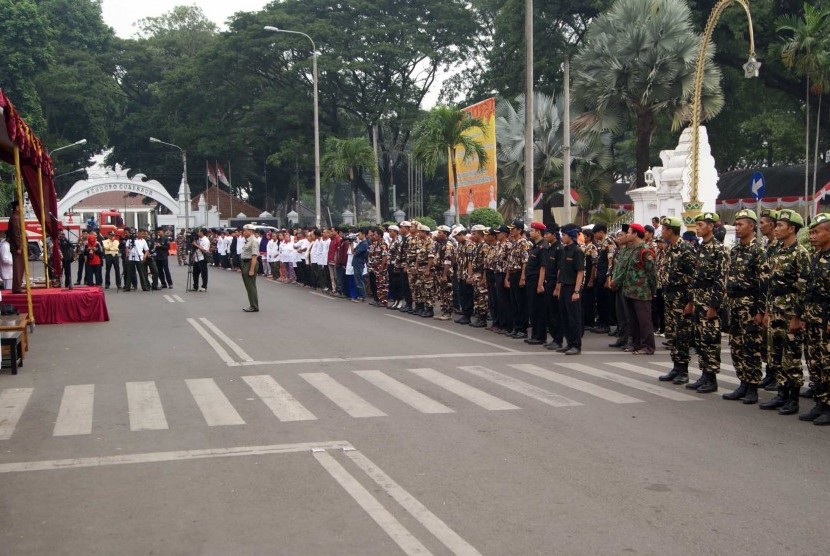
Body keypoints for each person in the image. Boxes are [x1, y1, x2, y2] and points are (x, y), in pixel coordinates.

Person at [760, 209, 810, 416]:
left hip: (791, 312)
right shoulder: (776, 251)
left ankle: (793, 398)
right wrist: (767, 311)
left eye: (781, 225)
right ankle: (781, 392)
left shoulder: (801, 254)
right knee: (776, 354)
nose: (777, 228)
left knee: (791, 356)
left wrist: (798, 317)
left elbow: (804, 288)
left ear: (792, 229)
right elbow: (771, 285)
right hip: (776, 310)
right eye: (777, 225)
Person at [722, 209, 767, 404]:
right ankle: (742, 382)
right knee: (737, 346)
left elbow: (764, 283)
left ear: (752, 226)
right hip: (735, 304)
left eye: (741, 224)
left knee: (751, 346)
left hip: (750, 305)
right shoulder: (736, 250)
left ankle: (753, 387)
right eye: (736, 224)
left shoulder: (759, 251)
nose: (737, 228)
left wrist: (760, 311)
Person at [657, 216, 696, 384]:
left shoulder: (686, 249)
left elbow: (693, 278)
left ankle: (684, 370)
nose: (662, 232)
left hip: (682, 298)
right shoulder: (670, 249)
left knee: (682, 334)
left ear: (671, 231)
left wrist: (691, 302)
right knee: (672, 334)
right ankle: (676, 367)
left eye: (664, 229)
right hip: (670, 296)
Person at [801, 213, 830, 425]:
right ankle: (820, 402)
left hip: (826, 318)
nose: (812, 236)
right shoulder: (815, 256)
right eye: (811, 232)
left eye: (816, 232)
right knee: (815, 362)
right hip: (812, 317)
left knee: (828, 363)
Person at [618, 223, 657, 355]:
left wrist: (652, 290)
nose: (627, 234)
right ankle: (636, 344)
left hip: (642, 292)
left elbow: (652, 274)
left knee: (644, 321)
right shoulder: (632, 250)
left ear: (635, 234)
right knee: (633, 320)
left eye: (629, 232)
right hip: (629, 290)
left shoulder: (645, 251)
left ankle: (648, 346)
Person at [554, 224, 585, 355]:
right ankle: (569, 343)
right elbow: (561, 271)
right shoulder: (564, 250)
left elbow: (580, 272)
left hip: (573, 287)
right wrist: (558, 287)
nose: (562, 237)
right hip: (564, 287)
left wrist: (576, 291)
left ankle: (576, 345)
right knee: (564, 317)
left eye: (564, 235)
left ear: (571, 236)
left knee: (573, 318)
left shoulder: (577, 251)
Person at [524, 222, 549, 344]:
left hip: (536, 281)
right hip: (531, 281)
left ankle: (540, 336)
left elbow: (543, 267)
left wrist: (540, 284)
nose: (530, 232)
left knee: (538, 309)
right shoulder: (535, 246)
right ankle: (534, 335)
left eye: (532, 230)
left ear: (539, 232)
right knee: (532, 309)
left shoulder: (543, 247)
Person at [238, 224, 260, 312]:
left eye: (245, 230)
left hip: (250, 263)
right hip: (245, 263)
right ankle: (252, 304)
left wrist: (251, 270)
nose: (243, 232)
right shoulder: (247, 240)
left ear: (250, 231)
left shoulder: (253, 241)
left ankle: (254, 306)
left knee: (251, 286)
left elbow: (254, 256)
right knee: (248, 286)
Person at [8, 200, 25, 293]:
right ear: (17, 207)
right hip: (17, 247)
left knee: (20, 267)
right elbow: (16, 233)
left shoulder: (17, 217)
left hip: (19, 246)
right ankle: (17, 288)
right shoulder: (15, 217)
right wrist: (19, 246)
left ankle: (18, 286)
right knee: (18, 267)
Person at [351, 228, 369, 302]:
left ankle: (362, 296)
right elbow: (353, 251)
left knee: (359, 280)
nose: (358, 236)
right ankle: (360, 295)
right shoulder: (361, 243)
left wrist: (354, 251)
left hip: (359, 263)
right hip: (356, 263)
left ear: (363, 234)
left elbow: (355, 253)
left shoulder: (364, 244)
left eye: (359, 234)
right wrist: (351, 243)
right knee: (357, 280)